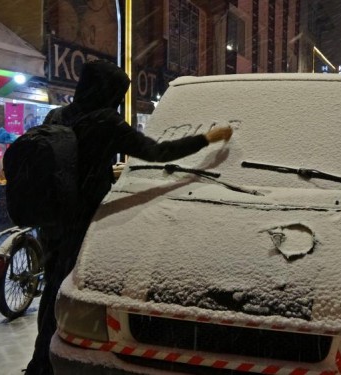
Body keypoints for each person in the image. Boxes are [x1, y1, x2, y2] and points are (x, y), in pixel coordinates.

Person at [24, 59, 233, 375]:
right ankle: (48, 364)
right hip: (83, 219)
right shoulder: (106, 123)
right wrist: (207, 139)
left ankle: (42, 360)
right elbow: (157, 153)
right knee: (70, 293)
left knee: (54, 286)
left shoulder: (58, 115)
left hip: (53, 219)